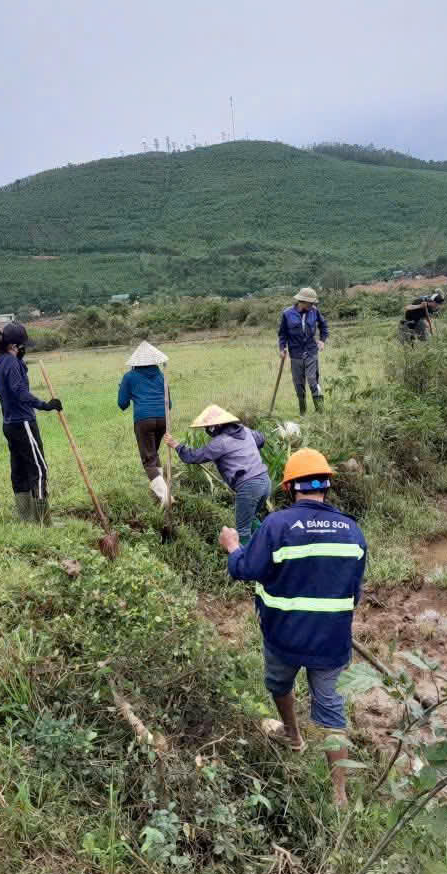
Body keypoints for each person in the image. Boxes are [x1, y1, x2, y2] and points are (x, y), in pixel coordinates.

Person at [218, 448, 367, 807]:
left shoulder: (277, 526)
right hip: (331, 642)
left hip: (282, 636)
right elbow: (354, 594)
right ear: (326, 487)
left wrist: (234, 547)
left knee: (279, 684)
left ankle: (293, 736)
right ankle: (339, 793)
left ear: (288, 489)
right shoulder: (352, 531)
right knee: (332, 711)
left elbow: (246, 570)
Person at [0, 320, 62, 523]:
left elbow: (11, 382)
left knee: (20, 468)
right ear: (13, 347)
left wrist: (19, 363)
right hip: (24, 422)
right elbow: (20, 391)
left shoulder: (0, 362)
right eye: (22, 347)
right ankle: (44, 521)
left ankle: (26, 519)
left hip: (10, 423)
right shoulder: (11, 362)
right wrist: (45, 405)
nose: (24, 350)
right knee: (39, 470)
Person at [164, 404, 270, 545]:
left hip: (249, 486)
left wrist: (176, 445)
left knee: (243, 530)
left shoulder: (220, 443)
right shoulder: (245, 431)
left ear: (217, 426)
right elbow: (261, 439)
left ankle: (247, 561)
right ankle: (270, 544)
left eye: (209, 427)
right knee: (250, 520)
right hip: (265, 481)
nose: (208, 430)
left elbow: (194, 456)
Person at [117, 340, 171, 506]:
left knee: (148, 460)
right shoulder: (161, 375)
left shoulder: (129, 377)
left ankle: (165, 495)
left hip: (144, 420)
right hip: (163, 419)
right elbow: (170, 403)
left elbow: (122, 404)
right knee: (153, 454)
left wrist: (126, 390)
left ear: (135, 362)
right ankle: (159, 492)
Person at [278, 286, 329, 414]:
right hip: (295, 354)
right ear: (302, 301)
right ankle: (303, 412)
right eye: (311, 302)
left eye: (313, 303)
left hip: (311, 351)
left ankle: (320, 411)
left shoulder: (314, 311)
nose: (313, 304)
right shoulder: (287, 314)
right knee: (299, 385)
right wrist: (282, 348)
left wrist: (322, 340)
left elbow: (324, 326)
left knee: (313, 380)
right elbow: (282, 334)